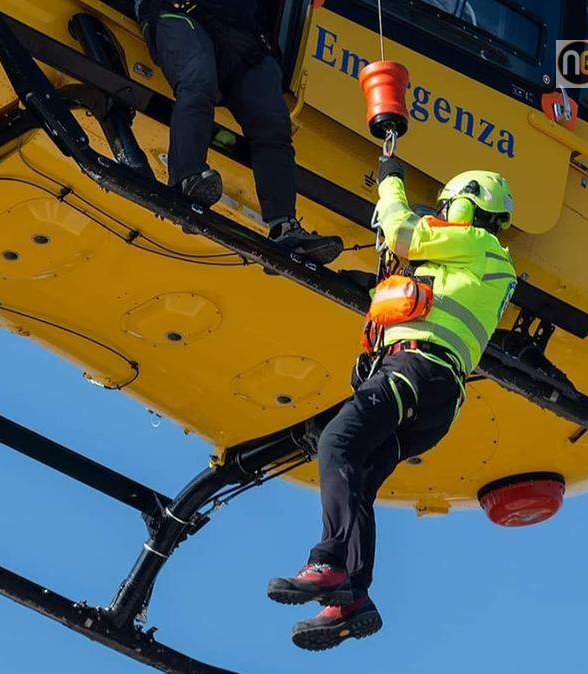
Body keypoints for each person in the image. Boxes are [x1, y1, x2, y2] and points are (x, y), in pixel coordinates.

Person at [267, 157, 519, 651]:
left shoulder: (478, 244)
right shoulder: (480, 267)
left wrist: (390, 182)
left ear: (467, 208)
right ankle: (352, 599)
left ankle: (328, 562)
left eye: (449, 210)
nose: (444, 219)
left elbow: (401, 230)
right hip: (437, 396)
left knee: (336, 442)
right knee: (357, 477)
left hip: (416, 371)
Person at [134, 0, 343, 264]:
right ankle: (186, 177)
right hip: (179, 11)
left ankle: (284, 227)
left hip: (242, 35)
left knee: (273, 123)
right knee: (197, 78)